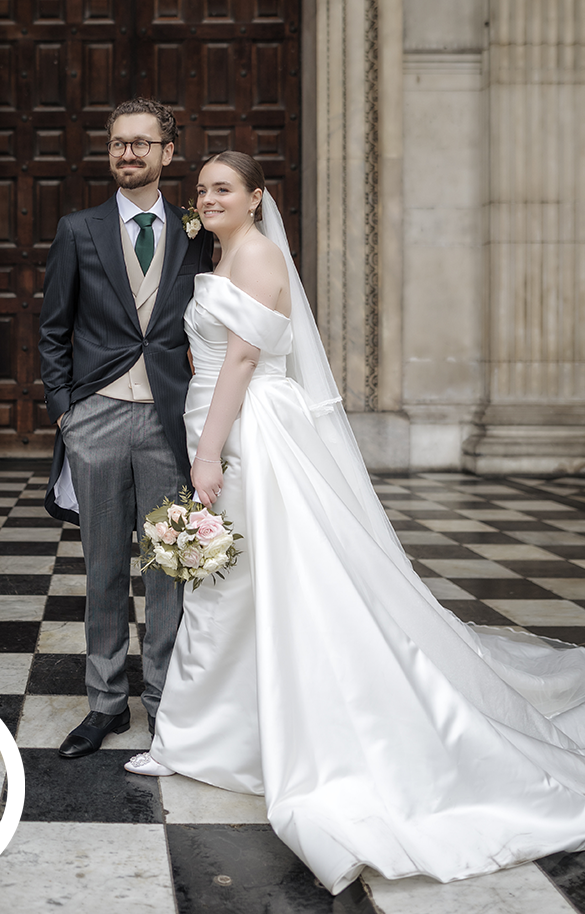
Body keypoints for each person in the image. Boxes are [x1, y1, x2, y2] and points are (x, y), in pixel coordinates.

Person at [125, 150, 585, 894]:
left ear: (255, 197)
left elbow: (242, 360)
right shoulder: (227, 252)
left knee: (239, 578)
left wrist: (207, 454)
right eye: (202, 188)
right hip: (228, 421)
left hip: (246, 430)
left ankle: (204, 738)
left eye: (223, 189)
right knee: (233, 580)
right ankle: (210, 733)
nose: (207, 198)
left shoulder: (260, 255)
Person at [39, 98, 213, 758]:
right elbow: (54, 327)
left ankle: (166, 699)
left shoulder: (199, 233)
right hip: (98, 418)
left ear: (168, 154)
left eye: (142, 144)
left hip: (171, 422)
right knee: (105, 568)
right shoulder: (78, 230)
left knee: (171, 567)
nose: (128, 154)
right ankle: (105, 702)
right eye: (118, 144)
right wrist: (67, 409)